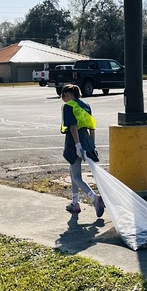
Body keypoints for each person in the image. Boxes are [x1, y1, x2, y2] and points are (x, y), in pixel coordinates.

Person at [60, 83, 104, 217]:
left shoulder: (68, 106)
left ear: (66, 95)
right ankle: (75, 203)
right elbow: (92, 126)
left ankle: (95, 198)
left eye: (63, 97)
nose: (63, 100)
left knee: (77, 176)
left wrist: (78, 146)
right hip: (87, 140)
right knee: (72, 172)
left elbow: (73, 127)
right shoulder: (86, 105)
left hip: (74, 141)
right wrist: (92, 145)